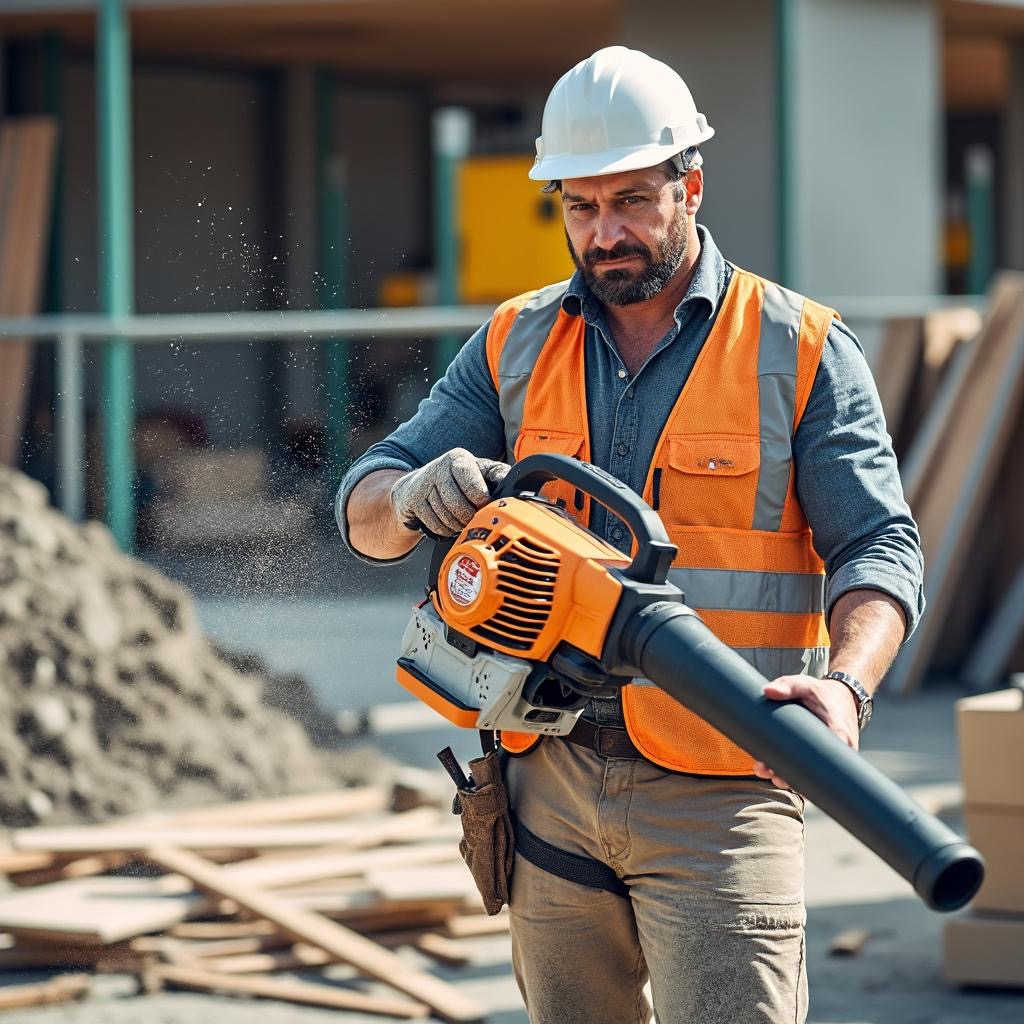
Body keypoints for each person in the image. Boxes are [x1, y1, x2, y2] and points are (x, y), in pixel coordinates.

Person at [337, 45, 924, 1024]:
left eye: (630, 202)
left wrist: (846, 683)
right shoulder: (513, 342)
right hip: (546, 777)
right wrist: (407, 496)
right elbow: (363, 508)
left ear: (689, 185)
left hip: (724, 789)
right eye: (578, 207)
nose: (603, 234)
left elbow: (879, 548)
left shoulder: (799, 347)